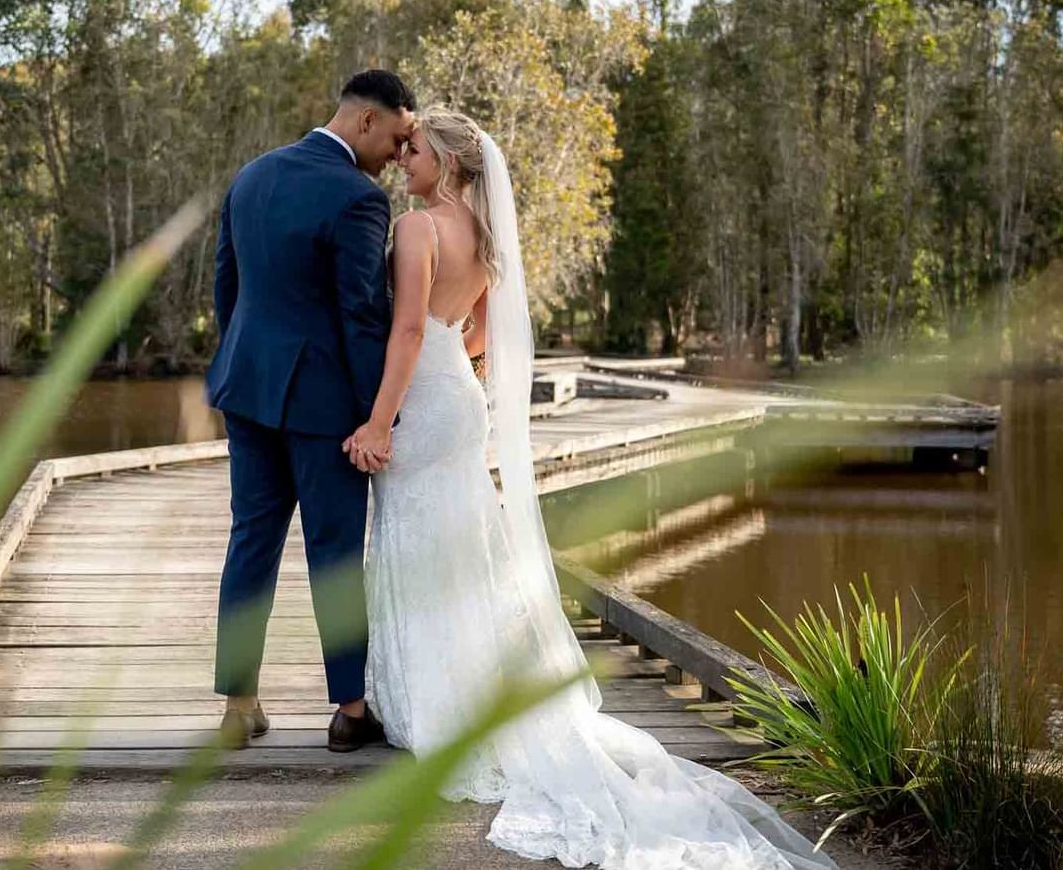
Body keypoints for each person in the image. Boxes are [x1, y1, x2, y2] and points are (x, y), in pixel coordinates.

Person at [346, 107, 838, 870]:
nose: (403, 159)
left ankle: (435, 708)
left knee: (418, 548)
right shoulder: (484, 239)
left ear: (446, 161)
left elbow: (408, 332)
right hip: (461, 407)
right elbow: (478, 335)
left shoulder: (417, 230)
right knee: (463, 549)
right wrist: (447, 351)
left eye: (414, 150)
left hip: (421, 404)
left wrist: (379, 422)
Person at [204, 69, 416, 753]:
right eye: (395, 135)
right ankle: (350, 711)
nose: (396, 153)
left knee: (251, 541)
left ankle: (239, 705)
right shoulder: (358, 198)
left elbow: (226, 288)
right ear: (364, 123)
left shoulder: (252, 175)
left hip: (248, 389)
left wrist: (243, 362)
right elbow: (361, 314)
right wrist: (375, 416)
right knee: (333, 553)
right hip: (324, 406)